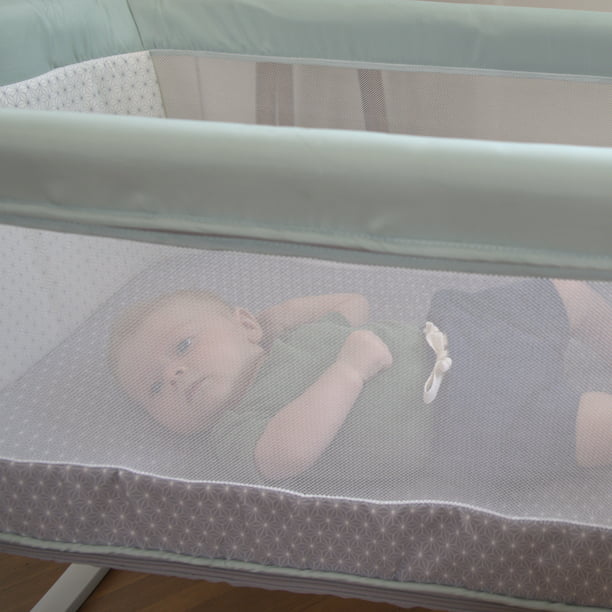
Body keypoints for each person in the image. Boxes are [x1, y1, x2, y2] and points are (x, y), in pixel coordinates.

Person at [109, 279, 612, 487]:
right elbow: (287, 455)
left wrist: (281, 315)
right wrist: (347, 372)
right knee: (593, 426)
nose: (173, 374)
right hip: (466, 422)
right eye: (153, 389)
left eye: (183, 346)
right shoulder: (237, 430)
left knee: (565, 294)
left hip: (454, 335)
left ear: (245, 326)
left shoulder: (294, 340)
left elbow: (352, 305)